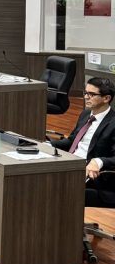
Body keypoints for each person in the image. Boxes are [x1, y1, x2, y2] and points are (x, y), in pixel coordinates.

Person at [53, 76, 115, 206]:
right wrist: (47, 144)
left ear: (106, 98)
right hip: (70, 163)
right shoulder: (85, 114)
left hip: (93, 177)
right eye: (85, 93)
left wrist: (99, 161)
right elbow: (72, 141)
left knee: (53, 188)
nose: (86, 97)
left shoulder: (113, 123)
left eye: (91, 94)